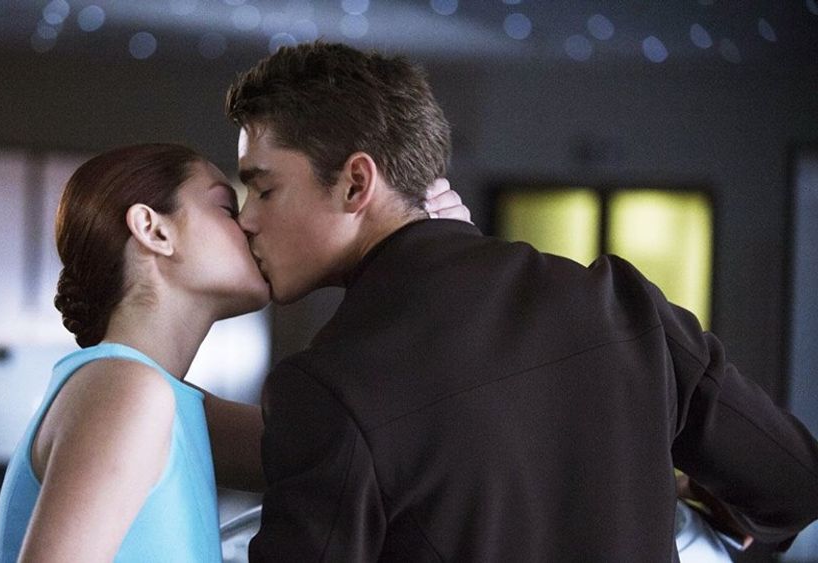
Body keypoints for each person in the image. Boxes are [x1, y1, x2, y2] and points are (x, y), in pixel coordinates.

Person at [225, 41, 818, 561]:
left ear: (356, 183)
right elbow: (794, 483)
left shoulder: (327, 386)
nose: (246, 219)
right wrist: (678, 497)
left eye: (264, 188)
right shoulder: (622, 305)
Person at [0, 143, 468, 562]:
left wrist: (420, 250)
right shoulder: (127, 390)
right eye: (227, 208)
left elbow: (361, 451)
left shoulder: (165, 401)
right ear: (154, 230)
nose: (251, 224)